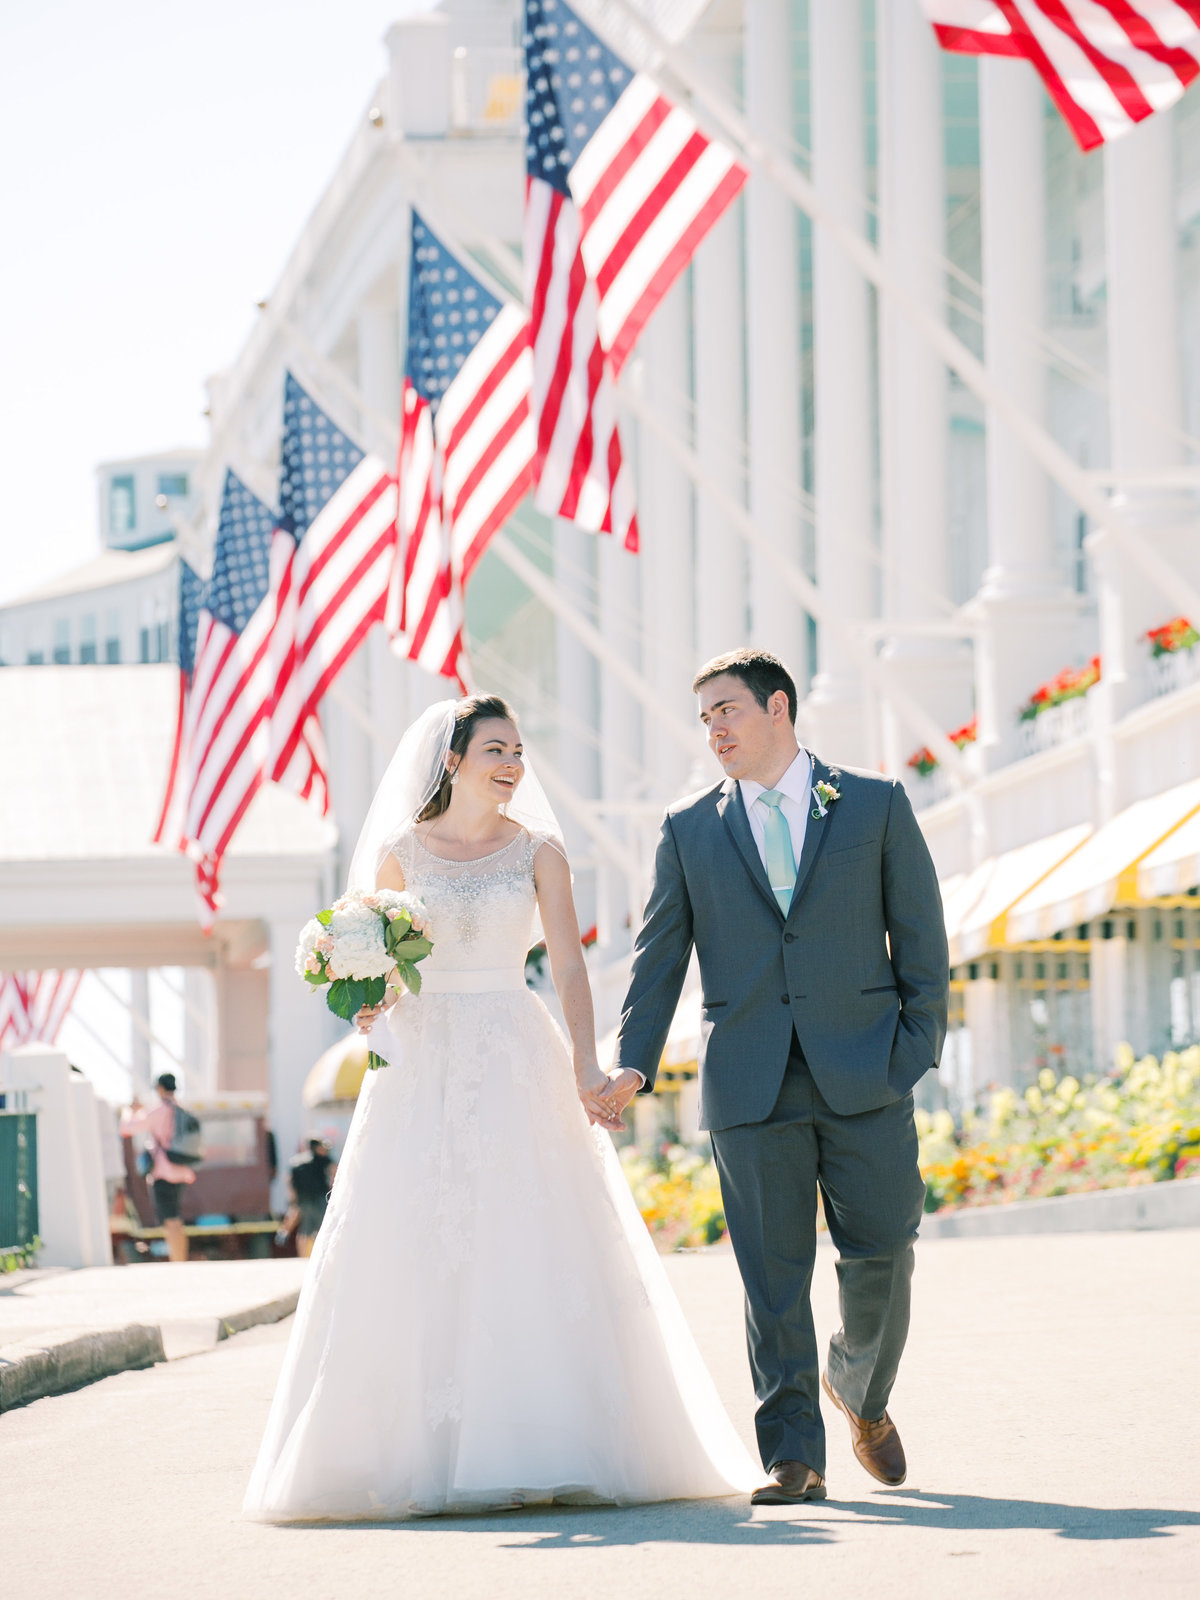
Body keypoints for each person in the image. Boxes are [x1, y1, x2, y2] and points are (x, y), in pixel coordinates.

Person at [244, 694, 756, 1521]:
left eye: (519, 749)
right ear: (452, 761)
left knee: (525, 1230)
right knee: (412, 1230)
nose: (513, 763)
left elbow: (570, 969)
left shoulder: (539, 854)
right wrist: (368, 1006)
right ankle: (413, 1448)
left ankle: (543, 1439)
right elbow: (376, 962)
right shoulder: (400, 852)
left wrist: (589, 1064)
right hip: (419, 1058)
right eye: (495, 749)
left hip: (513, 1043)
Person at [605, 649, 949, 1505]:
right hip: (749, 1084)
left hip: (868, 1072)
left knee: (885, 1254)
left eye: (727, 710)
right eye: (705, 718)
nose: (715, 729)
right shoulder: (689, 829)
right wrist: (632, 1063)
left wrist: (912, 1049)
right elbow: (658, 961)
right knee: (772, 1276)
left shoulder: (873, 804)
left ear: (778, 708)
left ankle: (860, 1390)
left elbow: (923, 939)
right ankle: (793, 1455)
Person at [120, 1072, 196, 1263]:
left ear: (160, 1089)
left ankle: (177, 1261)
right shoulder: (181, 1108)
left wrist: (128, 1111)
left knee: (170, 1221)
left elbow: (127, 1128)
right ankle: (180, 1259)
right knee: (176, 1219)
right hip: (181, 1170)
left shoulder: (160, 1110)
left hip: (163, 1172)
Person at [287, 1139, 336, 1257]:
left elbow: (290, 1182)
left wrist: (293, 1200)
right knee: (322, 1228)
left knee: (304, 1230)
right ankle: (321, 1255)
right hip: (319, 1198)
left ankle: (302, 1256)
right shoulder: (323, 1159)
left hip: (303, 1199)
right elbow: (334, 1171)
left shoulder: (296, 1162)